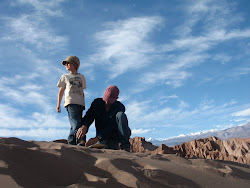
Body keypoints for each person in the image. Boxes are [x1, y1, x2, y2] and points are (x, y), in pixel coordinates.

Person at [76, 85, 131, 151]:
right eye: (106, 98)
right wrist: (84, 126)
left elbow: (111, 125)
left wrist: (98, 138)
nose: (107, 101)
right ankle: (81, 142)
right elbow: (89, 116)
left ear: (116, 98)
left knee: (121, 115)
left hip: (112, 137)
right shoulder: (97, 103)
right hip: (102, 138)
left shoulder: (119, 107)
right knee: (78, 120)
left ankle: (125, 147)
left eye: (110, 99)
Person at [56, 56, 87, 145]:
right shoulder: (65, 77)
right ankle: (81, 140)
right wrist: (58, 104)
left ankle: (71, 142)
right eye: (65, 64)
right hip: (70, 102)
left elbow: (82, 91)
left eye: (68, 63)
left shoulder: (81, 77)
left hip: (80, 104)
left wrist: (83, 102)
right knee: (76, 122)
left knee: (75, 124)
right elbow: (61, 91)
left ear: (75, 65)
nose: (66, 65)